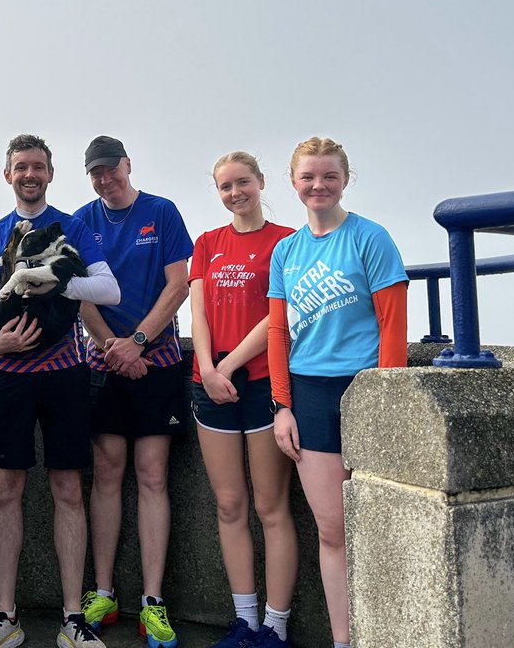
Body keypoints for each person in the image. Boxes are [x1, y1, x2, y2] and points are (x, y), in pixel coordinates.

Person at [0, 134, 120, 648]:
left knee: (68, 490)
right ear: (8, 175)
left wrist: (53, 281)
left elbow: (109, 288)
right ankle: (5, 618)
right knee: (5, 490)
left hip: (65, 374)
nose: (29, 174)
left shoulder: (71, 227)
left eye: (38, 166)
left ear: (50, 174)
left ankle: (72, 618)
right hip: (8, 377)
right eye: (20, 167)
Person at [267, 138, 407, 648]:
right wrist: (282, 405)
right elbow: (278, 334)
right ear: (294, 183)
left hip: (365, 387)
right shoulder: (286, 251)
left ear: (345, 179)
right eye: (308, 177)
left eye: (328, 176)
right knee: (332, 529)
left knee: (376, 526)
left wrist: (388, 398)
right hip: (309, 394)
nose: (318, 186)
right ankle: (343, 639)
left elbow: (392, 324)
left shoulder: (371, 238)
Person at [72, 136, 192, 648]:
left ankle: (153, 601)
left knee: (152, 475)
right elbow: (75, 291)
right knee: (105, 474)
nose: (105, 179)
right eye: (95, 173)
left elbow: (178, 284)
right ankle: (103, 592)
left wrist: (138, 342)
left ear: (127, 165)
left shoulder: (161, 212)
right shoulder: (80, 221)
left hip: (157, 360)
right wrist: (112, 348)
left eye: (111, 169)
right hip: (102, 361)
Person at [188, 152, 298, 648]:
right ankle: (245, 621)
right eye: (226, 186)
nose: (235, 193)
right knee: (230, 505)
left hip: (259, 380)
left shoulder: (286, 242)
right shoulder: (207, 243)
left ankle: (275, 627)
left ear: (260, 182)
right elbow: (199, 315)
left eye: (243, 183)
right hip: (209, 382)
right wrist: (209, 368)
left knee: (271, 506)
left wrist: (229, 367)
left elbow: (281, 316)